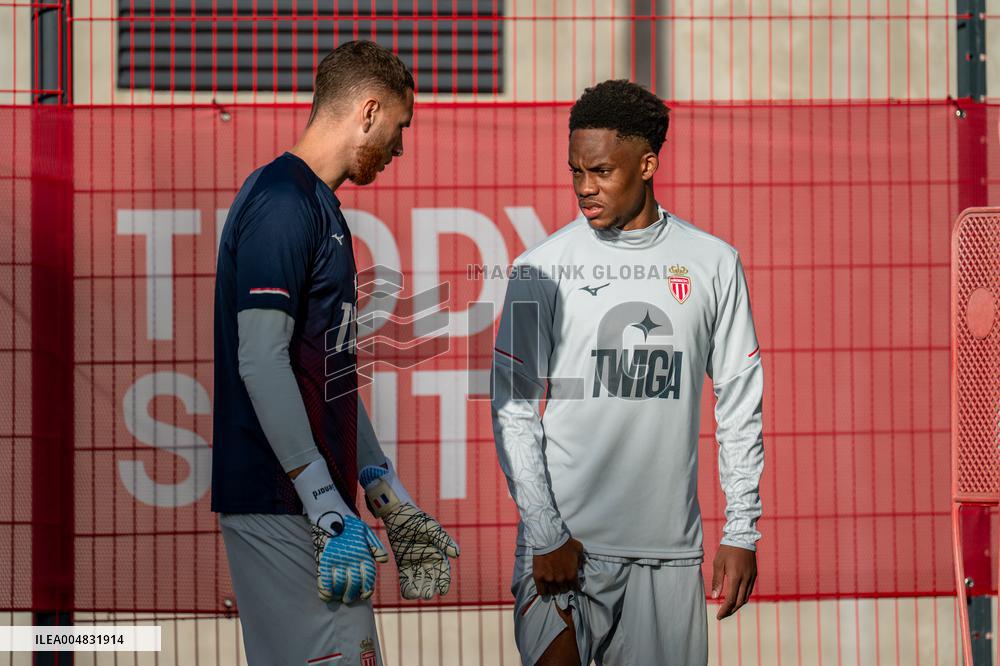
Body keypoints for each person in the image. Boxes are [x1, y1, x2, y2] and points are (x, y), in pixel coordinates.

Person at [491, 79, 764, 665]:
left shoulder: (714, 263)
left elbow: (739, 402)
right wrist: (545, 533)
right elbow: (513, 408)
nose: (584, 189)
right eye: (575, 172)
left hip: (667, 556)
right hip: (563, 550)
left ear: (647, 164)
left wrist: (741, 530)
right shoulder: (539, 268)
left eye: (600, 172)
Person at [212, 40, 459, 666]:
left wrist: (385, 494)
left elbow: (330, 375)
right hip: (282, 501)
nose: (399, 149)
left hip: (307, 502)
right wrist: (324, 502)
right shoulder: (282, 202)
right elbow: (261, 362)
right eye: (399, 129)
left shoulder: (319, 207)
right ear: (369, 111)